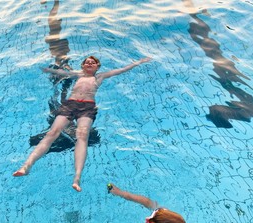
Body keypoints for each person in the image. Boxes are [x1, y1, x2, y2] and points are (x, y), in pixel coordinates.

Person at [13, 56, 151, 192]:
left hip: (87, 106)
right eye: (87, 62)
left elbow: (121, 70)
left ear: (97, 66)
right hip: (70, 104)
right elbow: (63, 73)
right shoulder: (77, 74)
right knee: (52, 133)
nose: (90, 64)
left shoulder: (100, 77)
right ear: (83, 66)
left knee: (82, 135)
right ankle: (26, 166)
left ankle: (77, 178)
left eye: (93, 62)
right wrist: (49, 70)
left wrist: (138, 62)